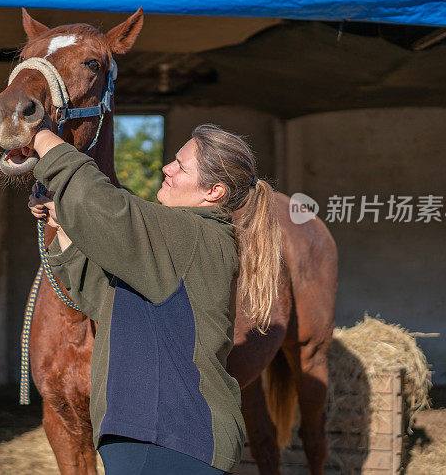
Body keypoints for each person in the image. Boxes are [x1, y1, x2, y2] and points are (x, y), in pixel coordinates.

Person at [27, 123, 282, 475]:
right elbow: (99, 297)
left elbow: (108, 207)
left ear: (213, 191)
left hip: (169, 440)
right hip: (160, 440)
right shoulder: (182, 243)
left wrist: (40, 135)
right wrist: (62, 219)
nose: (167, 168)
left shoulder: (191, 233)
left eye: (181, 165)